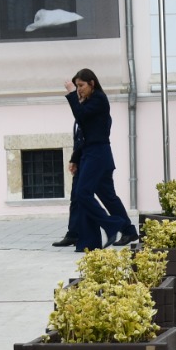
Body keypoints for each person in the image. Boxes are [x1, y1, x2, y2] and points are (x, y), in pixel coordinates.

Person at [64, 70, 132, 249]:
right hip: (91, 154)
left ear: (92, 83)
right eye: (77, 86)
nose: (79, 90)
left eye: (81, 86)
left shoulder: (99, 99)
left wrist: (71, 94)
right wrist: (75, 158)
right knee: (107, 196)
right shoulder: (88, 102)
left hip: (98, 154)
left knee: (83, 193)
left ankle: (111, 224)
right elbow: (82, 135)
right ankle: (129, 230)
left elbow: (80, 116)